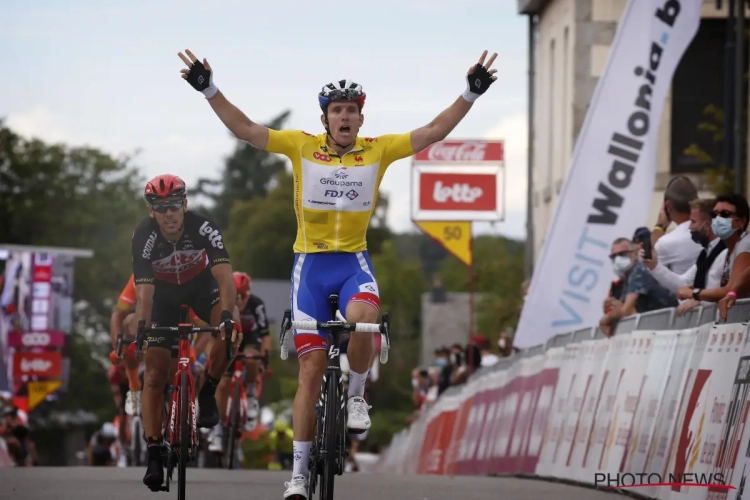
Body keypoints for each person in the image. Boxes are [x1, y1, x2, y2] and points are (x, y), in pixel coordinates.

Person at [177, 46, 498, 499]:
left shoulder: (378, 150)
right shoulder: (301, 145)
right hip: (309, 266)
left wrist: (469, 93)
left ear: (361, 120)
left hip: (352, 262)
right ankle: (298, 477)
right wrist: (209, 89)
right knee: (310, 371)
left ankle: (358, 393)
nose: (344, 117)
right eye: (337, 110)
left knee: (365, 315)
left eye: (352, 110)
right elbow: (246, 129)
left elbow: (432, 131)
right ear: (325, 118)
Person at [130, 173, 242, 488]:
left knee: (233, 331)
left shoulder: (203, 227)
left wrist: (227, 316)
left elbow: (225, 277)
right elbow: (144, 292)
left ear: (185, 204)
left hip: (199, 288)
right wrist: (142, 324)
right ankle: (153, 451)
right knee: (153, 375)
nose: (169, 213)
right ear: (151, 210)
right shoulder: (143, 236)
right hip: (162, 297)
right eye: (160, 207)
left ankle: (208, 390)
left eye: (174, 205)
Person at [206, 271, 271, 453]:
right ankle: (217, 431)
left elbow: (265, 336)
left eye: (243, 295)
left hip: (249, 338)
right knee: (223, 383)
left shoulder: (257, 305)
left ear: (248, 293)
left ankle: (251, 395)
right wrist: (211, 360)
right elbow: (212, 338)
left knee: (251, 358)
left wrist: (265, 358)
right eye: (236, 295)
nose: (240, 299)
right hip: (228, 339)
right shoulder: (221, 305)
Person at [641, 198, 726, 315]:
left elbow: (728, 291)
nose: (690, 228)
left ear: (707, 225)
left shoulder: (725, 251)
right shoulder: (705, 254)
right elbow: (683, 283)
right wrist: (654, 266)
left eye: (693, 222)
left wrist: (698, 299)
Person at [599, 237, 678, 336]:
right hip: (658, 329)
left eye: (622, 254)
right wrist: (611, 310)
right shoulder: (626, 279)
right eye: (613, 256)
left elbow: (625, 311)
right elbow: (623, 309)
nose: (618, 259)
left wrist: (605, 319)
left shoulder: (640, 270)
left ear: (635, 254)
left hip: (669, 327)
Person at [650, 176, 702, 274]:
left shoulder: (666, 243)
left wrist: (660, 226)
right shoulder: (710, 230)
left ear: (668, 205)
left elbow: (647, 266)